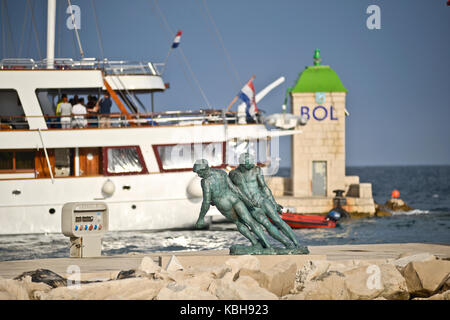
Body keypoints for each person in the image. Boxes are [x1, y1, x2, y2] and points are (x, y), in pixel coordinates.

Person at [193, 159, 272, 249]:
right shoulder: (221, 172)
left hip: (223, 204)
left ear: (204, 169)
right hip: (233, 198)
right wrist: (247, 200)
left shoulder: (205, 182)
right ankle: (268, 245)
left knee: (238, 223)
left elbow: (206, 202)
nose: (199, 175)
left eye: (199, 172)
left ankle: (254, 242)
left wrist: (201, 218)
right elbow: (234, 188)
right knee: (250, 221)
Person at [229, 153, 300, 248]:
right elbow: (231, 190)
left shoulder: (256, 170)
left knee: (278, 221)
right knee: (268, 225)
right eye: (249, 163)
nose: (252, 164)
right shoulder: (233, 174)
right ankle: (287, 244)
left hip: (262, 200)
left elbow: (264, 187)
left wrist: (274, 203)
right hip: (251, 207)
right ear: (242, 163)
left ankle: (296, 243)